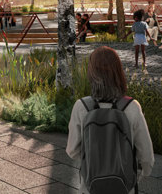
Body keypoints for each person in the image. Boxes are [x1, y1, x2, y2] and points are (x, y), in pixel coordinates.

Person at [66, 46, 154, 194]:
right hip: (125, 186)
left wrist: (94, 155)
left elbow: (72, 150)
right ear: (118, 71)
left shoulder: (82, 107)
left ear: (92, 73)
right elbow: (146, 154)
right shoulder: (131, 106)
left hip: (90, 186)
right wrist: (143, 173)